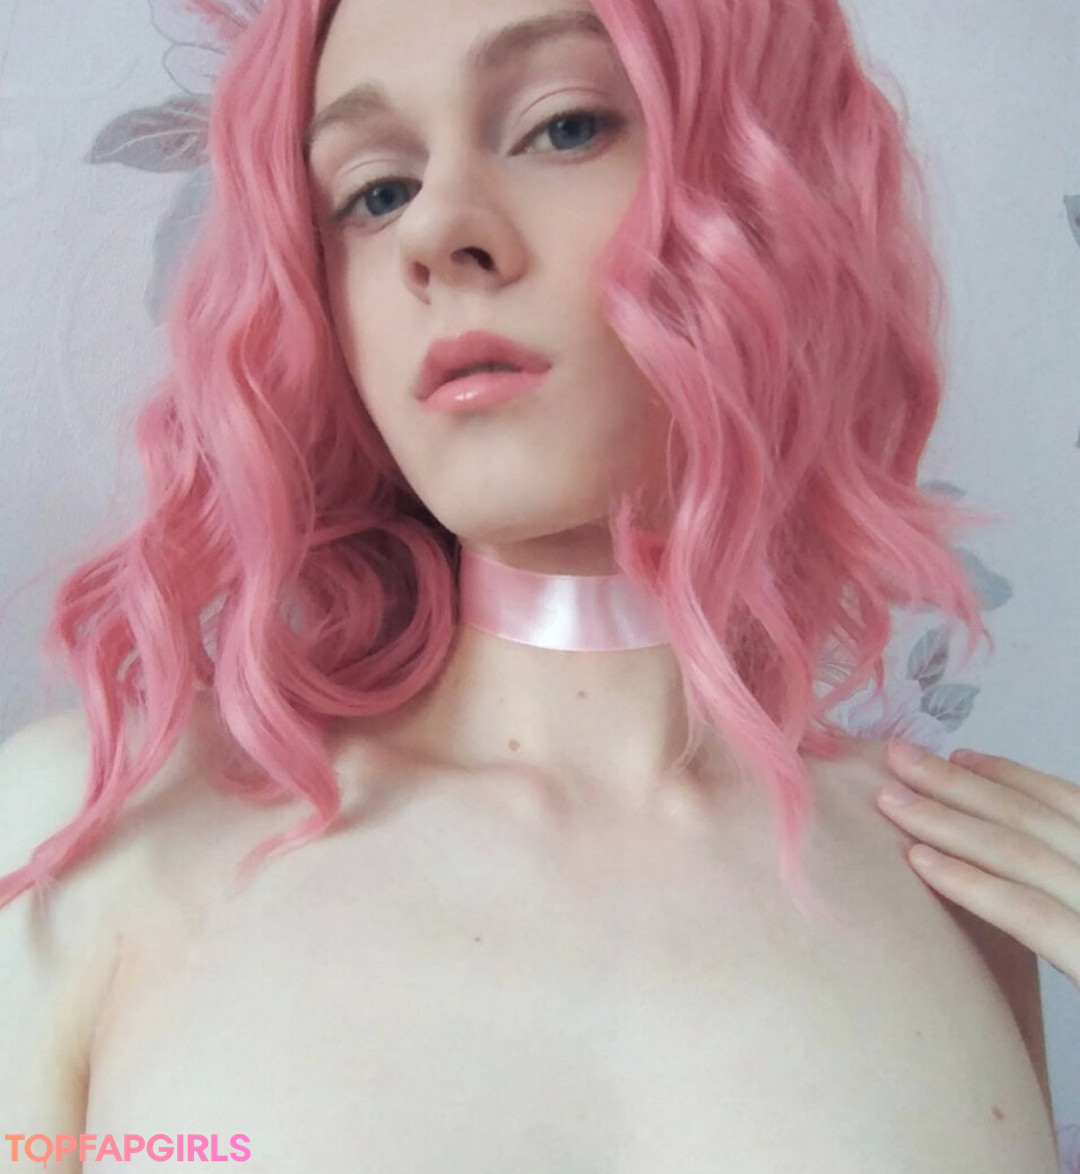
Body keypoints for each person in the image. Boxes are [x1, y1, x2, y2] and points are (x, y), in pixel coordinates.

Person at [0, 0, 1069, 1168]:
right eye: (375, 191)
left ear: (772, 194)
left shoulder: (958, 884)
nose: (435, 231)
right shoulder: (86, 836)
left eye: (564, 127)